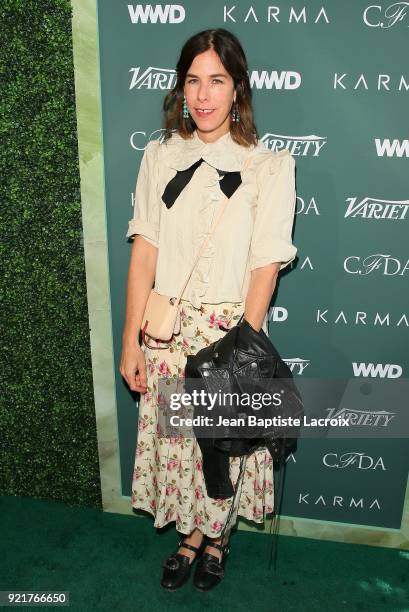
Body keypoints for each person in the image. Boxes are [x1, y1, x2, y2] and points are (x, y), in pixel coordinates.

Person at [120, 28, 298, 592]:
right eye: (193, 81)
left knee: (220, 451)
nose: (203, 95)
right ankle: (190, 536)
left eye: (216, 81)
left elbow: (265, 264)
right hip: (167, 331)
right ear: (181, 88)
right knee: (180, 446)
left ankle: (217, 538)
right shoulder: (158, 156)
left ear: (238, 89)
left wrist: (243, 341)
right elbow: (144, 249)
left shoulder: (269, 166)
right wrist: (130, 340)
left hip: (226, 334)